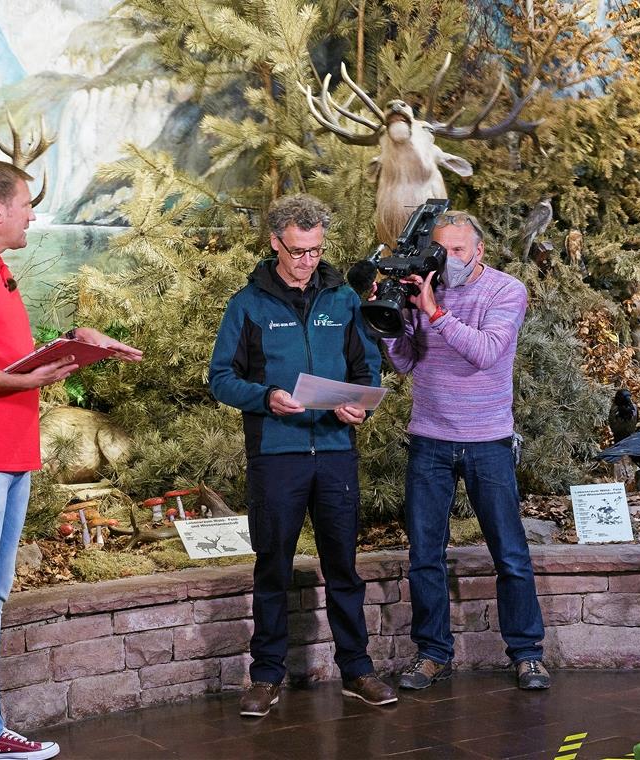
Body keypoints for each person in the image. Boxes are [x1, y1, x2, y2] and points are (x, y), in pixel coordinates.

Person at [0, 160, 142, 760]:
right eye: (25, 203)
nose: (31, 215)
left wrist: (76, 339)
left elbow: (8, 358)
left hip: (11, 453)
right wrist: (18, 383)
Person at [208, 193, 396, 718]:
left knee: (344, 567)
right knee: (273, 567)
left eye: (315, 251)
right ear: (274, 244)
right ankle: (266, 677)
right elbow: (220, 378)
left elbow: (367, 372)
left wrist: (362, 408)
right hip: (277, 454)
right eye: (296, 251)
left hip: (335, 452)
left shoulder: (344, 300)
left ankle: (357, 670)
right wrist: (265, 397)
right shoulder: (247, 304)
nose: (306, 261)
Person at [381, 210, 549, 691]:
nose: (448, 258)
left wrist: (434, 310)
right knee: (424, 556)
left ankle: (527, 653)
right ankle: (432, 654)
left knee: (510, 554)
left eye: (458, 250)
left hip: (488, 440)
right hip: (430, 438)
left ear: (479, 250)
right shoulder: (422, 285)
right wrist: (391, 322)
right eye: (442, 249)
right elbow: (407, 363)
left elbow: (487, 351)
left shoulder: (505, 290)